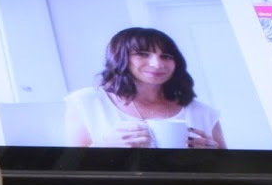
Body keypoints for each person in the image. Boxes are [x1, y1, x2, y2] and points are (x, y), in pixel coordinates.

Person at [63, 27, 225, 148]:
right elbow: (72, 169)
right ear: (120, 58)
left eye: (166, 56)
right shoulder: (87, 102)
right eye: (143, 54)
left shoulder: (203, 112)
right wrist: (104, 146)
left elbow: (225, 169)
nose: (157, 64)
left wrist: (214, 157)